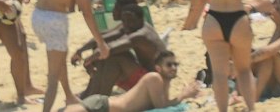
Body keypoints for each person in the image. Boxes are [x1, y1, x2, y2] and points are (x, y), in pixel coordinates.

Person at [0, 0, 111, 112]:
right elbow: (86, 12)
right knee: (53, 77)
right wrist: (100, 42)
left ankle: (69, 96)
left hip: (37, 16)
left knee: (59, 59)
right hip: (55, 21)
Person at [200, 0, 265, 112]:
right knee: (244, 70)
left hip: (214, 18)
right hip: (237, 18)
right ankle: (251, 108)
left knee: (219, 74)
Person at [64, 51, 202, 112]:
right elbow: (162, 107)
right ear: (158, 68)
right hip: (103, 106)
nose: (173, 68)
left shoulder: (163, 84)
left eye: (175, 64)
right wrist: (184, 95)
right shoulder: (154, 78)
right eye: (169, 65)